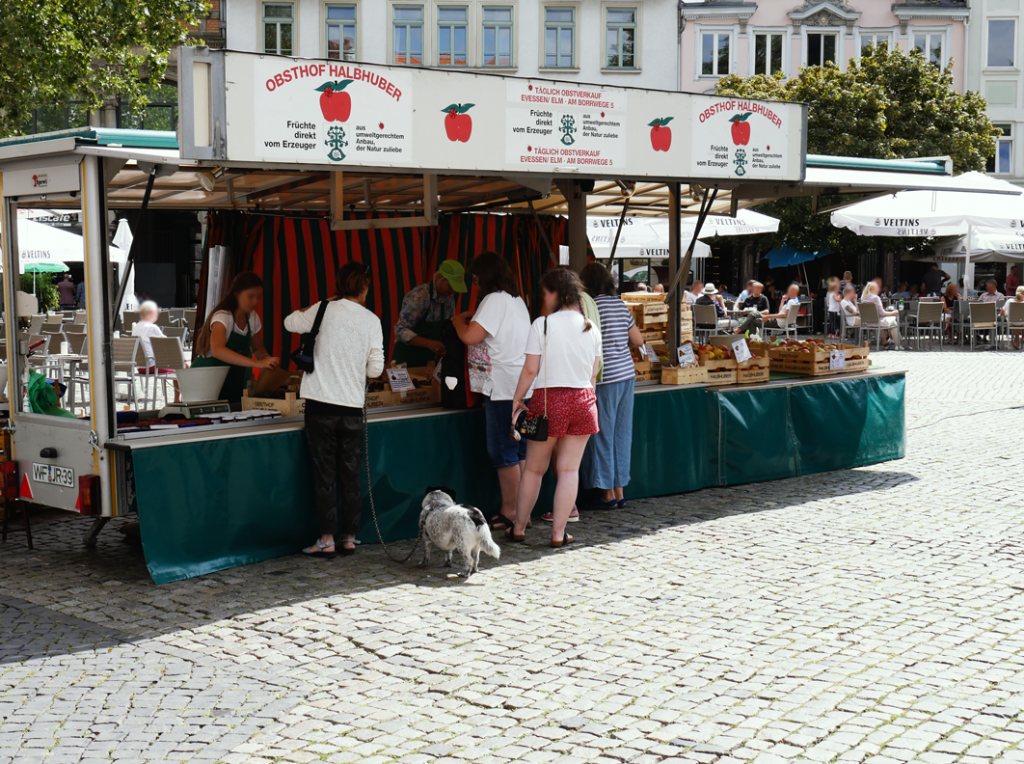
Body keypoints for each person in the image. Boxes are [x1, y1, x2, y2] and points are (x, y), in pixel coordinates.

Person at [285, 263, 384, 557]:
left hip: (319, 405)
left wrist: (320, 304)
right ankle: (350, 537)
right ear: (364, 287)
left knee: (324, 473)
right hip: (352, 406)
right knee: (351, 474)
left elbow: (289, 322)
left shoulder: (322, 309)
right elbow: (376, 369)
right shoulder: (372, 320)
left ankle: (326, 538)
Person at [509, 269, 602, 548]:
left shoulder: (543, 325)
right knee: (569, 470)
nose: (544, 298)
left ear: (556, 294)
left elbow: (530, 370)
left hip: (548, 402)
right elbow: (593, 376)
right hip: (584, 401)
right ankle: (559, 534)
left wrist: (517, 399)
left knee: (534, 470)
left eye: (546, 292)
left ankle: (519, 527)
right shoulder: (591, 327)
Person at [451, 252, 531, 531]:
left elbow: (470, 336)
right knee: (520, 449)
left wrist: (458, 321)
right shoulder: (517, 300)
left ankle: (510, 510)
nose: (474, 284)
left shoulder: (493, 299)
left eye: (475, 279)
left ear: (484, 277)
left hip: (503, 388)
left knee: (503, 451)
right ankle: (523, 512)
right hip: (524, 387)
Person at [579, 263, 643, 510]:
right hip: (627, 375)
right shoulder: (619, 304)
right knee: (621, 434)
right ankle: (620, 490)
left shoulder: (590, 307)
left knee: (603, 435)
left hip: (605, 378)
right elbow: (637, 340)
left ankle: (607, 494)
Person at [192, 272, 280, 404]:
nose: (255, 301)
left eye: (258, 297)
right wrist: (256, 363)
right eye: (251, 296)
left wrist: (265, 358)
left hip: (233, 381)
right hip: (206, 382)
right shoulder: (222, 317)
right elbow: (218, 351)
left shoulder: (253, 317)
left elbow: (258, 347)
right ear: (237, 294)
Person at [393, 260, 467, 365]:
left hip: (429, 360)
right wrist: (428, 343)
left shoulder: (449, 300)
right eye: (450, 286)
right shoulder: (420, 296)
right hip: (406, 358)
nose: (452, 291)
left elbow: (448, 327)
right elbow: (400, 330)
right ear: (438, 278)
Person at [861, 281, 904, 349]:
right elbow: (882, 313)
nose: (878, 290)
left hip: (868, 322)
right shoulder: (876, 298)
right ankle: (898, 344)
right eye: (876, 288)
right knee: (893, 320)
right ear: (872, 289)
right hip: (877, 322)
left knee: (891, 322)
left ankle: (893, 339)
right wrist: (893, 313)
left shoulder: (863, 298)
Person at [132, 300, 168, 372]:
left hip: (140, 368)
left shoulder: (136, 327)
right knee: (181, 367)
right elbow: (167, 343)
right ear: (151, 313)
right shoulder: (153, 327)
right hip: (152, 366)